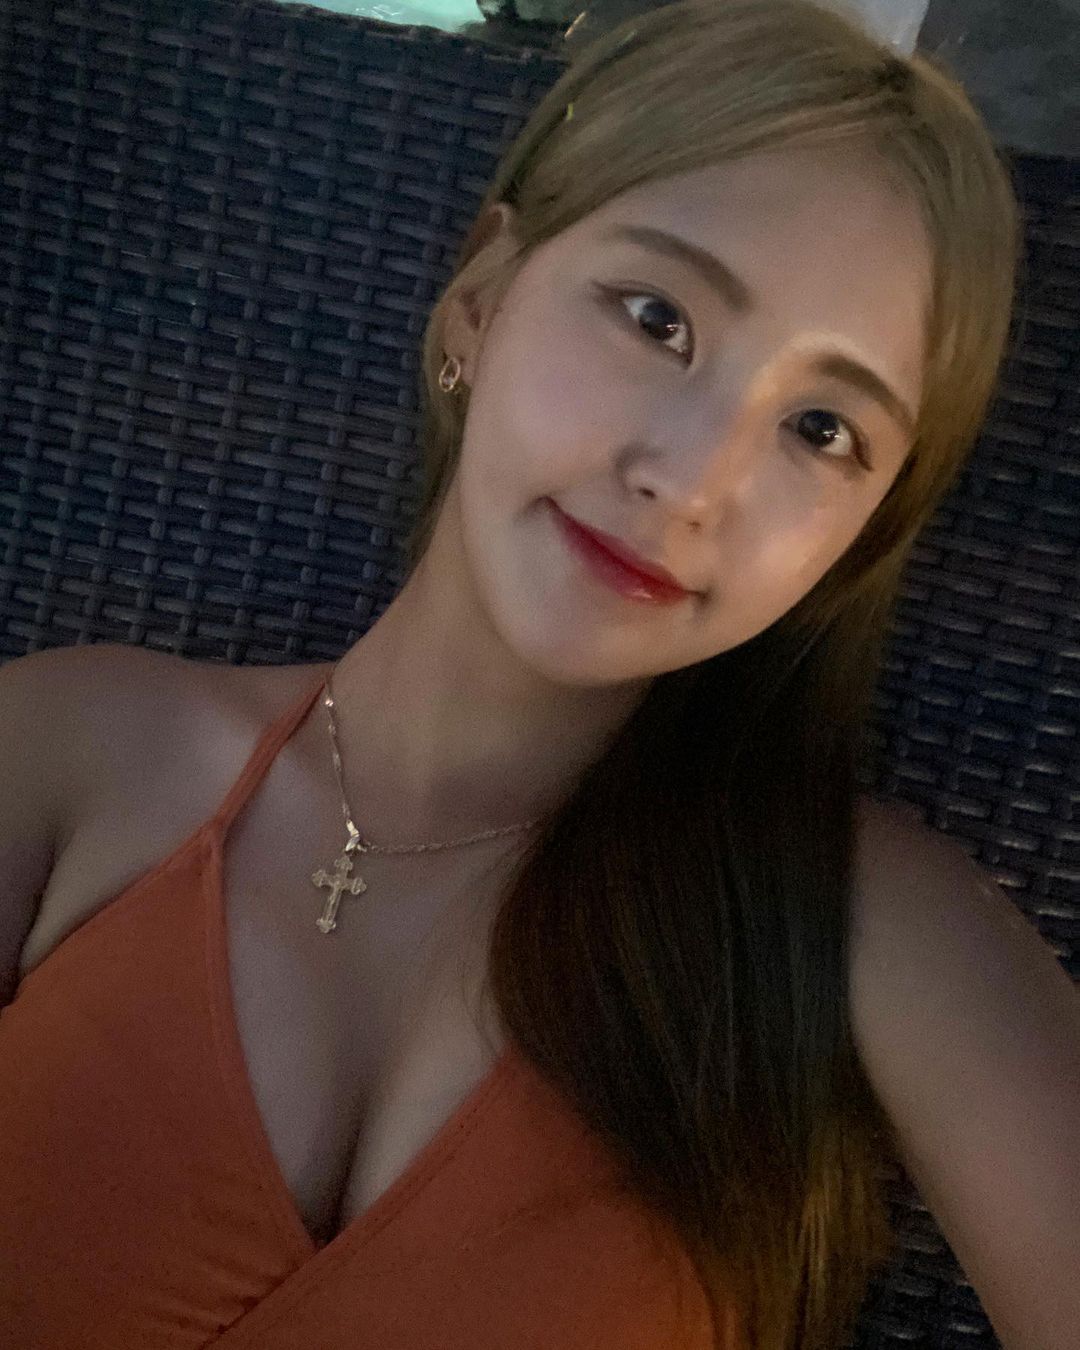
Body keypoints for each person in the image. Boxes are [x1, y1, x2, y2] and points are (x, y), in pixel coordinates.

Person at [4, 2, 1075, 1348]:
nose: (690, 479)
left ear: (857, 536)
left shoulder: (864, 934)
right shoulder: (72, 757)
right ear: (481, 300)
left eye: (821, 428)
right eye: (656, 317)